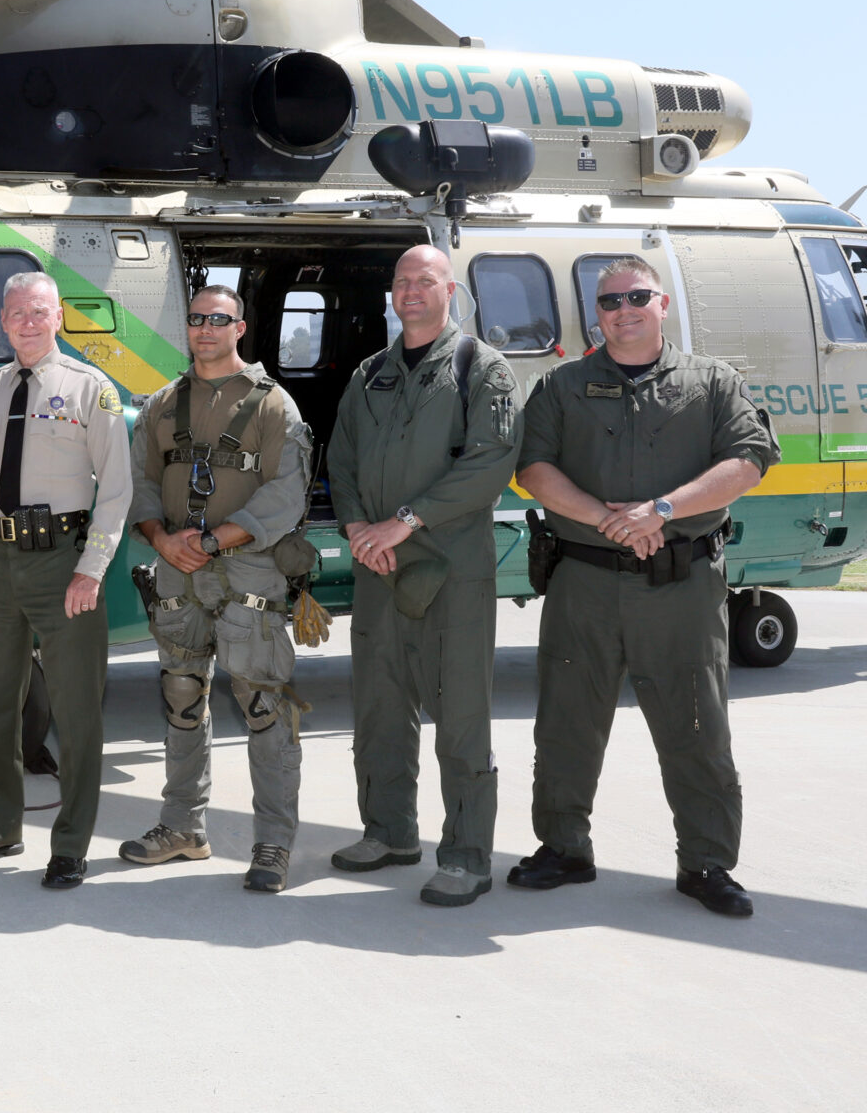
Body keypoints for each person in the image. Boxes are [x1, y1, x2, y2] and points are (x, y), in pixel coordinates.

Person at [510, 257, 776, 917]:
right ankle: (564, 847)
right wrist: (608, 519)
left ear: (662, 304)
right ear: (594, 314)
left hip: (681, 586)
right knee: (566, 723)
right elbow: (533, 468)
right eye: (608, 301)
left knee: (696, 726)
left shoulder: (712, 382)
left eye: (637, 296)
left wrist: (660, 510)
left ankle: (707, 863)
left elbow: (749, 461)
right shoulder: (562, 386)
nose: (623, 309)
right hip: (584, 582)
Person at [326, 245, 522, 907]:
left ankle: (467, 854)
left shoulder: (481, 369)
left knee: (460, 710)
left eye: (425, 281)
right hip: (377, 566)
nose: (412, 291)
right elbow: (343, 456)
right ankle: (388, 831)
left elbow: (489, 463)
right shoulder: (370, 373)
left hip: (450, 569)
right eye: (402, 282)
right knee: (380, 705)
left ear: (450, 292)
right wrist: (357, 527)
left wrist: (404, 522)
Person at [0, 271, 132, 890]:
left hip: (63, 562)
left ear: (58, 319)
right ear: (1, 319)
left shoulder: (88, 389)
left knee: (76, 712)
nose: (27, 320)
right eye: (16, 310)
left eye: (39, 310)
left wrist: (91, 569)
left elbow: (118, 491)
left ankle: (71, 843)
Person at [121, 286, 312, 893]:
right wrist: (160, 537)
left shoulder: (272, 405)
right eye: (197, 318)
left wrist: (214, 540)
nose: (205, 329)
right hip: (177, 567)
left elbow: (285, 494)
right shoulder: (162, 404)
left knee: (263, 706)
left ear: (240, 328)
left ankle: (274, 843)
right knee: (182, 698)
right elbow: (141, 481)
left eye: (218, 320)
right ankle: (182, 828)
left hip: (248, 568)